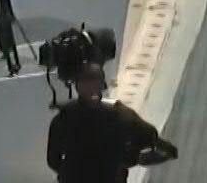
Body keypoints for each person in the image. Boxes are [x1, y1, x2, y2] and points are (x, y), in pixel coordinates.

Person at [46, 61, 176, 182]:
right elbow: (150, 137)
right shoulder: (120, 115)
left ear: (77, 86)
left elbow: (53, 161)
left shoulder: (63, 118)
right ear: (102, 86)